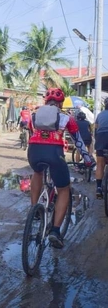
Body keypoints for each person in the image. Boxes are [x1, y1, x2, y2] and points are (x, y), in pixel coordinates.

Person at [27, 88, 95, 249]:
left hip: (34, 152)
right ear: (61, 103)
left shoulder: (34, 115)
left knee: (37, 171)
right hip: (54, 153)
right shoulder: (66, 118)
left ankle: (34, 208)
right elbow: (78, 142)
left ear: (46, 102)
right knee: (64, 189)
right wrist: (87, 160)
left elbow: (32, 133)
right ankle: (55, 232)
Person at [94, 97, 108, 198]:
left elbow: (95, 129)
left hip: (101, 137)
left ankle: (98, 188)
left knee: (100, 164)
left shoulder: (100, 115)